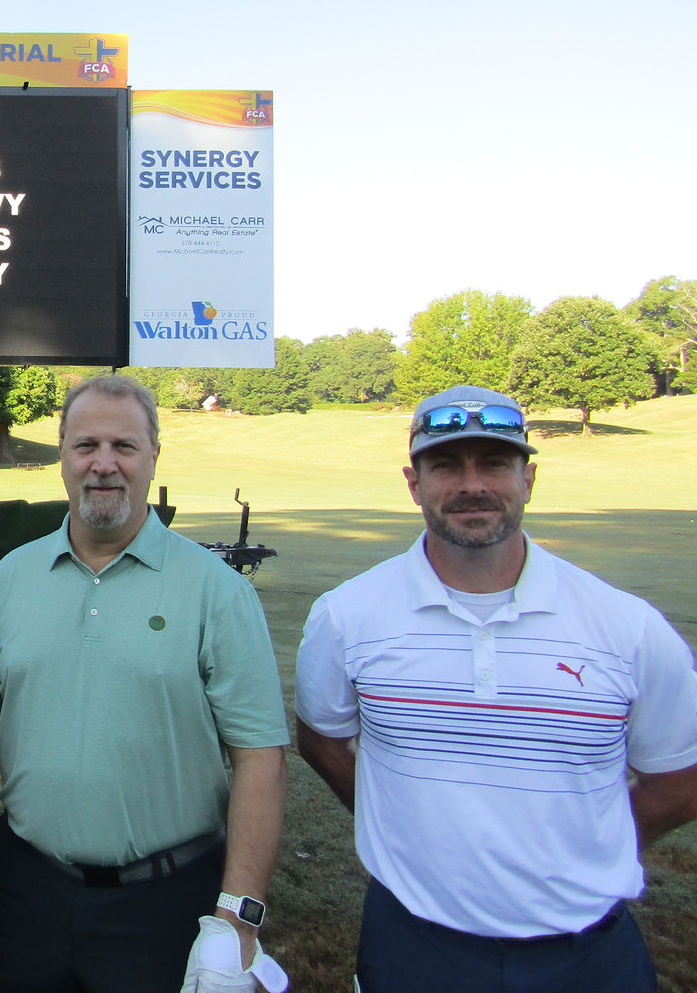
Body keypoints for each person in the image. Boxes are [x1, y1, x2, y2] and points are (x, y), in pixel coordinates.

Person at [295, 384, 697, 992]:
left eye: (494, 463)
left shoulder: (628, 626)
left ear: (528, 478)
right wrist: (400, 824)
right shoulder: (346, 615)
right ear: (413, 483)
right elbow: (322, 741)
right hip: (415, 942)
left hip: (588, 951)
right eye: (446, 465)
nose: (471, 485)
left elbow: (680, 780)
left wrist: (588, 843)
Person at [0, 373, 290, 993]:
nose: (104, 465)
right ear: (62, 456)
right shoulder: (11, 579)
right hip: (24, 895)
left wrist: (238, 915)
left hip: (165, 903)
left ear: (154, 455)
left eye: (124, 447)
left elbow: (259, 755)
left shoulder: (216, 591)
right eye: (86, 446)